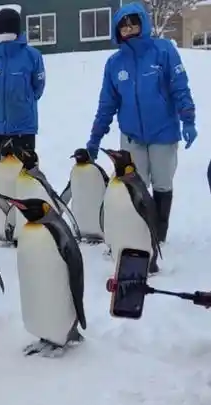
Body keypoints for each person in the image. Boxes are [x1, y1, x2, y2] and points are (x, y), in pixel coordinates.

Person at [86, 1, 197, 244]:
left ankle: (158, 235)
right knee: (134, 186)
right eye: (123, 26)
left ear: (142, 24)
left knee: (162, 184)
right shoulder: (114, 64)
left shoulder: (164, 51)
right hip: (132, 136)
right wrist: (95, 138)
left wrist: (188, 118)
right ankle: (139, 233)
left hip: (163, 133)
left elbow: (180, 86)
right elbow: (107, 104)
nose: (129, 29)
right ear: (117, 30)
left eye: (133, 23)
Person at [0, 7, 46, 181]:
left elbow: (38, 88)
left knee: (25, 178)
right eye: (1, 31)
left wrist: (23, 102)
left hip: (22, 128)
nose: (4, 36)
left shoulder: (32, 56)